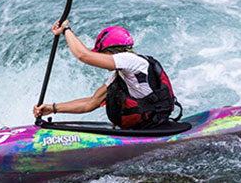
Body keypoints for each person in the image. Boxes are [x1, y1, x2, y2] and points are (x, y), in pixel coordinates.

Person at [33, 20, 182, 129]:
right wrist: (52, 108)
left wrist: (66, 30)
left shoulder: (132, 61)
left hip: (154, 126)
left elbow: (83, 55)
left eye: (102, 54)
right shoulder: (121, 75)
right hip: (144, 126)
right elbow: (91, 103)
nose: (101, 58)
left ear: (112, 51)